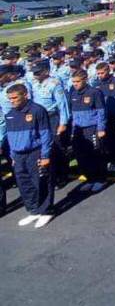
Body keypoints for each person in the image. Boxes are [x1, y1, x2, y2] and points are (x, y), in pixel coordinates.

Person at [0, 84, 54, 227]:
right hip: (18, 155)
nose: (12, 101)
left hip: (34, 152)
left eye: (15, 97)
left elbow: (45, 134)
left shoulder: (37, 110)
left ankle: (46, 211)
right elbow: (10, 137)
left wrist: (45, 155)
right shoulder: (10, 114)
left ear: (25, 95)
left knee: (40, 182)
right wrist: (12, 156)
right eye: (9, 98)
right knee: (24, 184)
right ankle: (33, 211)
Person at [29, 59, 70, 186]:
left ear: (46, 71)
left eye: (38, 72)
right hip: (39, 118)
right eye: (35, 73)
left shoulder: (54, 84)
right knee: (43, 144)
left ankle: (62, 174)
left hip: (52, 117)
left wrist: (63, 122)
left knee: (57, 146)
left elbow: (62, 104)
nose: (35, 75)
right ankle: (50, 172)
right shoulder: (34, 84)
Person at [67, 69, 107, 192]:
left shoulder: (94, 92)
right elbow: (73, 114)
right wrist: (73, 130)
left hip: (92, 127)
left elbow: (101, 111)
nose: (75, 84)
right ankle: (90, 178)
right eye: (73, 82)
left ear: (85, 79)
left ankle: (101, 179)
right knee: (81, 155)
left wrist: (101, 128)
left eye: (77, 81)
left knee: (95, 154)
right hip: (79, 129)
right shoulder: (72, 93)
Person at [94, 62, 115, 172]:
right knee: (105, 140)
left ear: (108, 71)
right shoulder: (96, 83)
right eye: (98, 73)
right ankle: (110, 160)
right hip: (103, 116)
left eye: (102, 73)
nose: (100, 75)